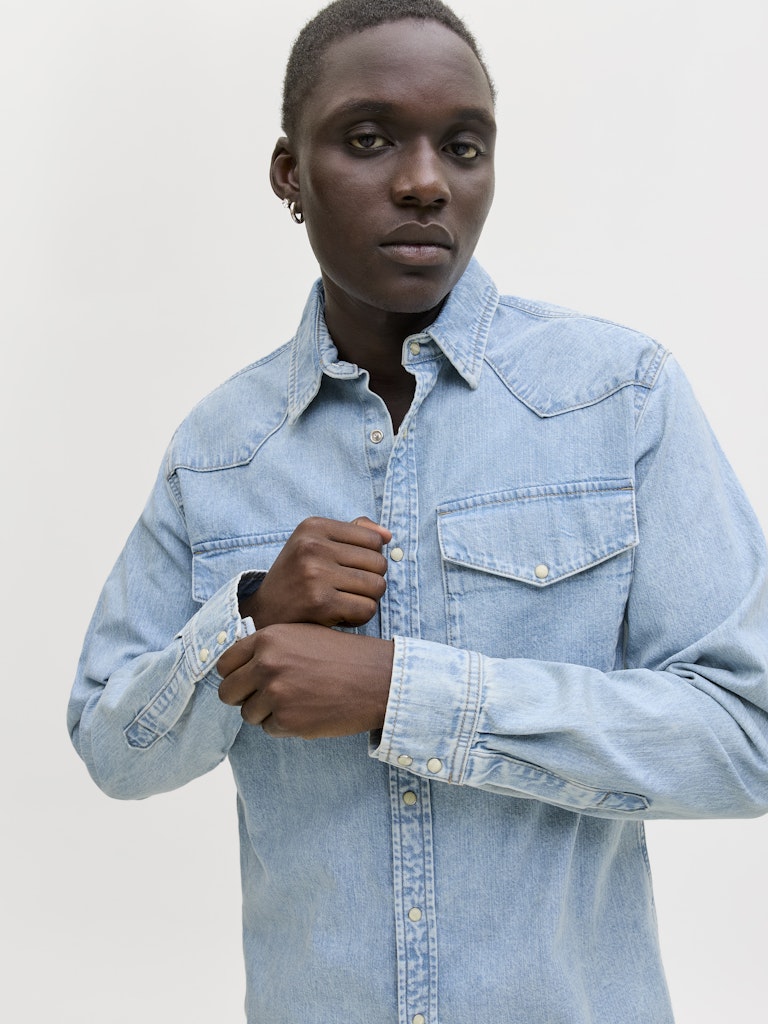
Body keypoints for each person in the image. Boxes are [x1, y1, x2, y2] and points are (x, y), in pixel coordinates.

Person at [67, 1, 768, 1021]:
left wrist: (402, 690)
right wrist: (248, 615)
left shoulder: (619, 397)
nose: (426, 182)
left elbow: (746, 735)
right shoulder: (219, 450)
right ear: (288, 174)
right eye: (369, 139)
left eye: (465, 146)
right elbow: (111, 749)